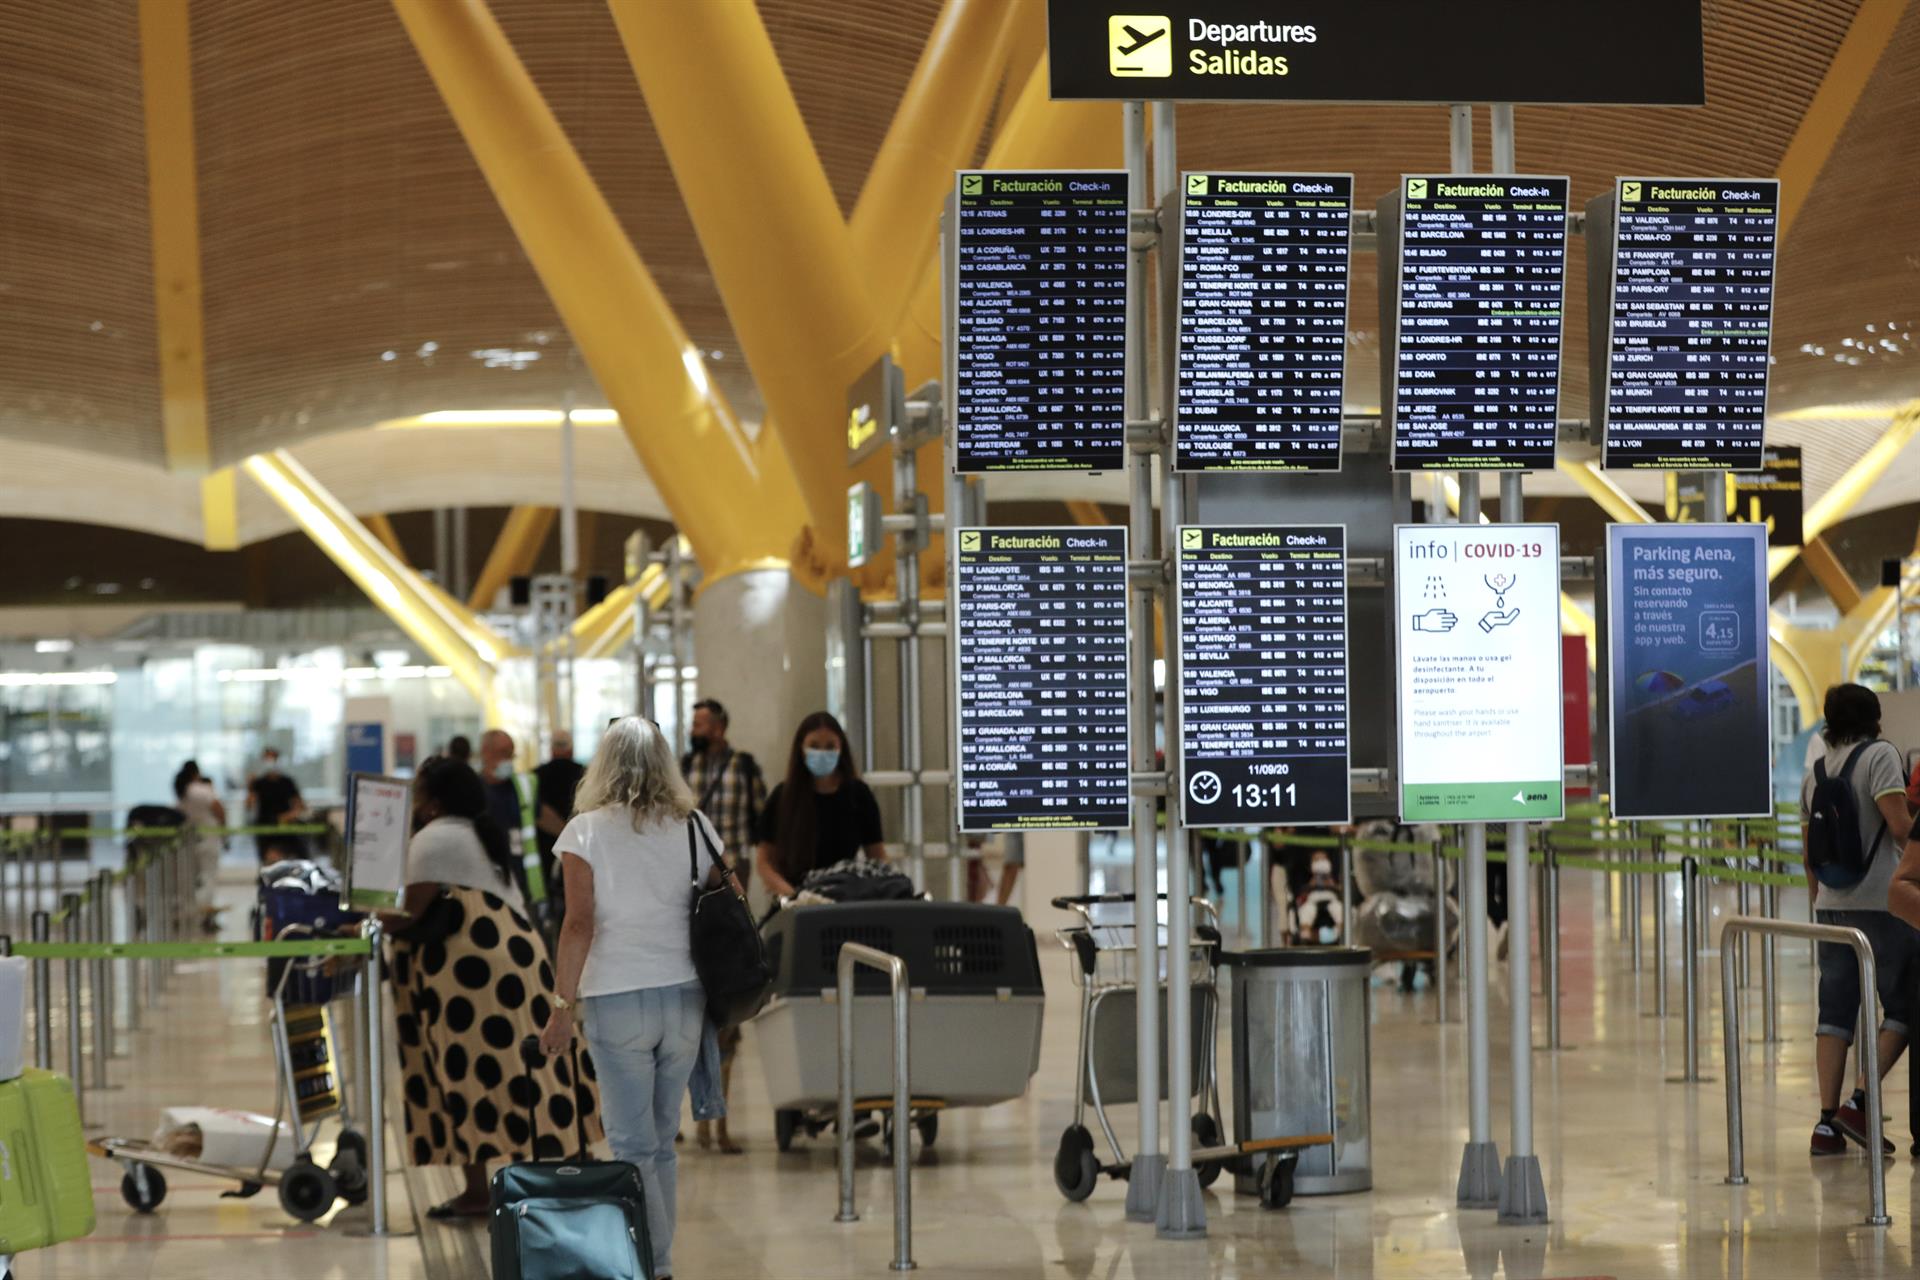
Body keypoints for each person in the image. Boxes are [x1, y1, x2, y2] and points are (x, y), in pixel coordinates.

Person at [538, 716, 728, 1280]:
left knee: (630, 1145)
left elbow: (578, 924)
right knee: (661, 1141)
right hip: (685, 997)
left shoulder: (586, 831)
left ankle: (654, 1266)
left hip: (617, 1000)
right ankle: (659, 1260)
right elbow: (723, 896)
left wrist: (560, 1010)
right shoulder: (693, 824)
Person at [378, 757, 601, 1219]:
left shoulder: (435, 838)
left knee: (466, 1074)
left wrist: (358, 915)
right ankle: (575, 1162)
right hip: (509, 965)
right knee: (525, 1070)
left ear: (433, 801)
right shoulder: (476, 832)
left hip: (471, 981)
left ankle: (480, 1189)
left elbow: (409, 912)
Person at [1800, 683, 1916, 1157]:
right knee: (1907, 1005)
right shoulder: (1880, 757)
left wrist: (1819, 904)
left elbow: (1809, 852)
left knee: (1834, 1015)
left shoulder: (1816, 772)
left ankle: (1826, 1126)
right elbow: (1901, 826)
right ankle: (1858, 1101)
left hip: (1831, 905)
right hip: (1881, 906)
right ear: (1874, 717)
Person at [677, 697, 765, 1154]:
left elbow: (757, 827)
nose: (697, 729)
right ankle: (684, 1117)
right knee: (684, 1011)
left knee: (725, 1012)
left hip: (727, 903)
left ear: (722, 726)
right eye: (693, 723)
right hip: (686, 901)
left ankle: (719, 1120)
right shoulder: (682, 768)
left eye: (704, 723)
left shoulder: (743, 767)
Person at [754, 711, 886, 900]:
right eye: (814, 746)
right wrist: (794, 896)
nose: (822, 753)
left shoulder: (858, 795)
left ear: (841, 749)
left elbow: (878, 857)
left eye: (830, 746)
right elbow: (764, 862)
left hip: (846, 897)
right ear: (801, 748)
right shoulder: (782, 797)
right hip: (794, 900)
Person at [479, 729, 542, 907]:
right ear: (485, 752)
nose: (507, 760)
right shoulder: (475, 790)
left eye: (511, 754)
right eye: (502, 754)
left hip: (521, 876)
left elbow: (538, 816)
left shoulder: (522, 787)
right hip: (488, 877)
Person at [534, 729, 587, 916]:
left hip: (545, 849)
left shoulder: (536, 776)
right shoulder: (586, 775)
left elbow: (536, 812)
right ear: (571, 749)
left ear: (551, 750)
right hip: (582, 847)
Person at [174, 761, 227, 931]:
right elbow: (218, 808)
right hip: (209, 836)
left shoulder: (182, 792)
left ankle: (189, 915)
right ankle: (203, 915)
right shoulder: (201, 789)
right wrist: (225, 829)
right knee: (208, 877)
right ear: (196, 773)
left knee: (192, 879)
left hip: (190, 839)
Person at [246, 747, 306, 862]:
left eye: (272, 758)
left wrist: (290, 815)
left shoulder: (287, 782)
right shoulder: (259, 783)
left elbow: (299, 804)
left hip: (285, 826)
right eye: (266, 758)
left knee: (288, 857)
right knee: (268, 860)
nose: (269, 761)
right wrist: (250, 787)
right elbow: (249, 806)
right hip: (265, 825)